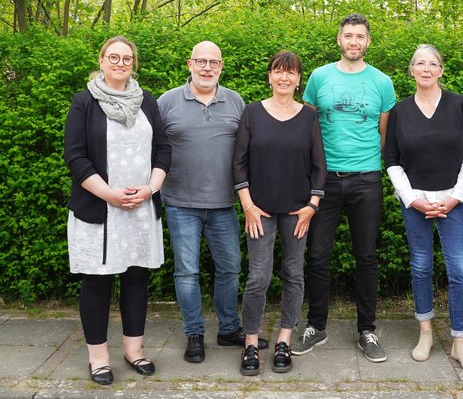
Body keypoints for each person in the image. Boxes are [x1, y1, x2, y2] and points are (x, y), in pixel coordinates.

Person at [64, 36, 171, 385]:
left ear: (133, 64)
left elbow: (163, 150)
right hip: (99, 209)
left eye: (127, 58)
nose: (120, 63)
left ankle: (134, 351)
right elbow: (75, 157)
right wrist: (109, 194)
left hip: (140, 207)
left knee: (136, 278)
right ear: (102, 60)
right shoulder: (84, 102)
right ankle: (98, 358)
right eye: (114, 57)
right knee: (97, 281)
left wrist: (150, 188)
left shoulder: (147, 102)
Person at [292, 13, 396, 363]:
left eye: (360, 36)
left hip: (366, 179)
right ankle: (316, 326)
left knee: (366, 256)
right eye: (348, 35)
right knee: (318, 255)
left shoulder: (382, 82)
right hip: (324, 182)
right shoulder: (320, 77)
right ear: (339, 40)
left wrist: (371, 168)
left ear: (368, 42)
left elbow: (384, 136)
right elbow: (306, 129)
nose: (354, 41)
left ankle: (367, 329)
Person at [157, 41, 268, 364]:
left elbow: (248, 152)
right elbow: (154, 147)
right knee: (187, 272)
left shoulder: (235, 102)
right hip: (180, 202)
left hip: (223, 203)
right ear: (189, 64)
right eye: (201, 62)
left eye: (214, 63)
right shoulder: (167, 102)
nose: (207, 68)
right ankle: (194, 333)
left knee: (231, 268)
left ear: (221, 67)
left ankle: (229, 328)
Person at [384, 44, 463, 373]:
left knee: (459, 271)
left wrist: (456, 195)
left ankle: (459, 342)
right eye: (420, 64)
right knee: (421, 267)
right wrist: (412, 199)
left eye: (433, 64)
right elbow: (392, 161)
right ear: (411, 71)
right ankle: (425, 333)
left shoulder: (459, 105)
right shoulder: (400, 111)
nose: (426, 69)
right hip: (416, 202)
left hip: (452, 201)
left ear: (441, 70)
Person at [233, 51, 326, 376]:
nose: (284, 77)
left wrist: (312, 207)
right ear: (270, 76)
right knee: (258, 277)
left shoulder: (309, 116)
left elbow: (319, 167)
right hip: (259, 211)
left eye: (291, 72)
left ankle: (284, 338)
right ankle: (250, 341)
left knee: (293, 274)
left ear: (299, 79)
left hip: (297, 212)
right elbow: (239, 162)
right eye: (277, 71)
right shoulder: (252, 113)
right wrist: (247, 205)